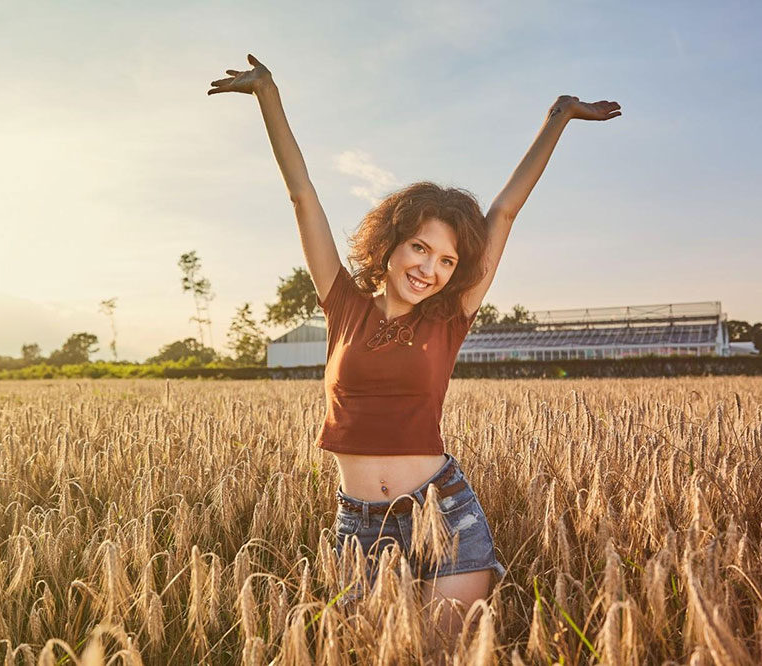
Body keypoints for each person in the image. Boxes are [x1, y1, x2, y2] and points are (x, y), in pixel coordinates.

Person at [208, 54, 620, 654]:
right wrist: (268, 95)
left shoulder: (450, 318)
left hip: (444, 513)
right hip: (357, 527)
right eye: (420, 249)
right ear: (391, 244)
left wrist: (559, 117)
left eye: (447, 260)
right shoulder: (342, 303)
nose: (430, 269)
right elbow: (302, 196)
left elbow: (503, 210)